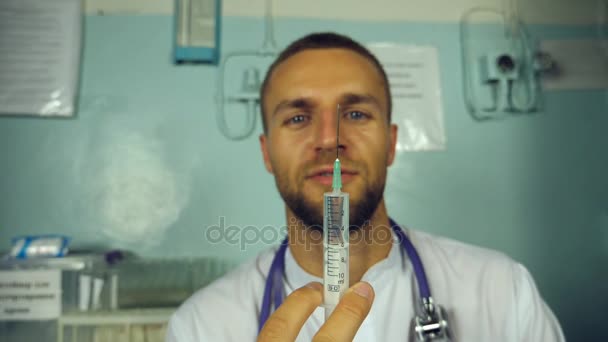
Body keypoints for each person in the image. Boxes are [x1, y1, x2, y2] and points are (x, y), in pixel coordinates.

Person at [166, 32, 565, 341]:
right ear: (267, 152)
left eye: (355, 113)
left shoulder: (501, 291)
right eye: (298, 118)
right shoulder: (203, 326)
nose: (329, 139)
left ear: (391, 144)